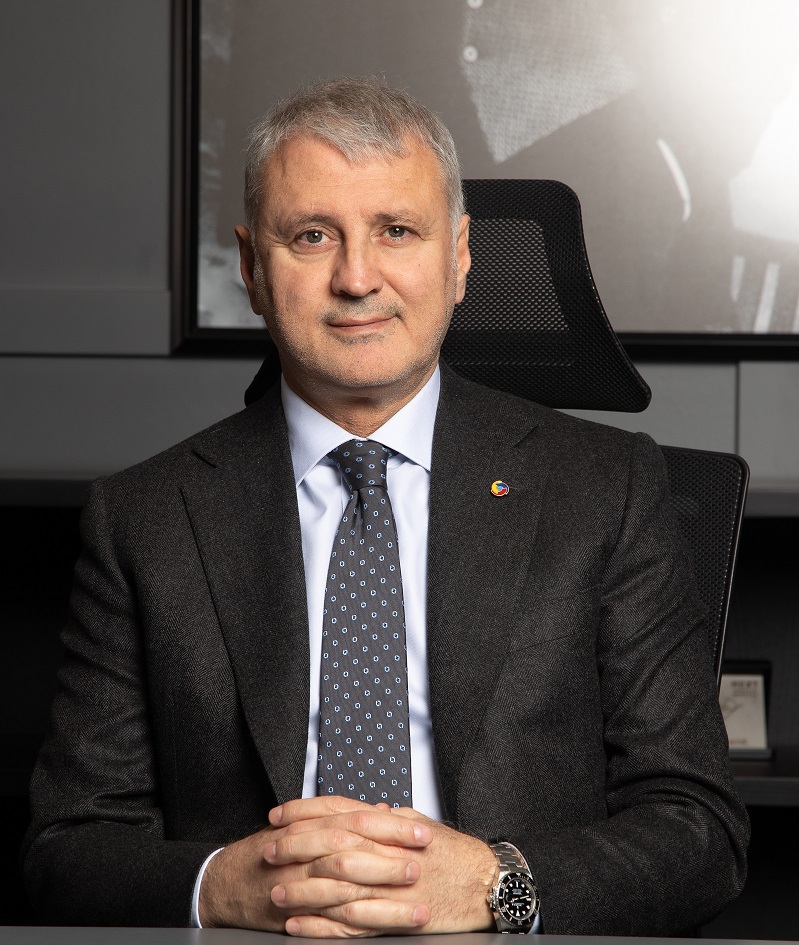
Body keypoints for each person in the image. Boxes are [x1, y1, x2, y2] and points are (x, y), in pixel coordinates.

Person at [23, 77, 748, 936]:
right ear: (252, 267)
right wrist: (222, 886)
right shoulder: (143, 516)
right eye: (312, 235)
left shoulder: (605, 487)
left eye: (396, 231)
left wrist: (497, 887)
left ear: (460, 256)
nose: (356, 278)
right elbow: (67, 848)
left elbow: (699, 830)